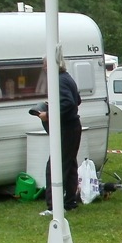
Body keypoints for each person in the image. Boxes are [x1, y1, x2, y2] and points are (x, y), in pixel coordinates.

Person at [33, 57, 82, 211]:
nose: (44, 68)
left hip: (66, 128)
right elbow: (77, 100)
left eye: (45, 65)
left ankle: (53, 207)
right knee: (70, 165)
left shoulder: (59, 80)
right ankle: (70, 202)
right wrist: (53, 105)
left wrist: (48, 115)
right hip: (73, 126)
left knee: (55, 166)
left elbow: (69, 103)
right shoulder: (68, 78)